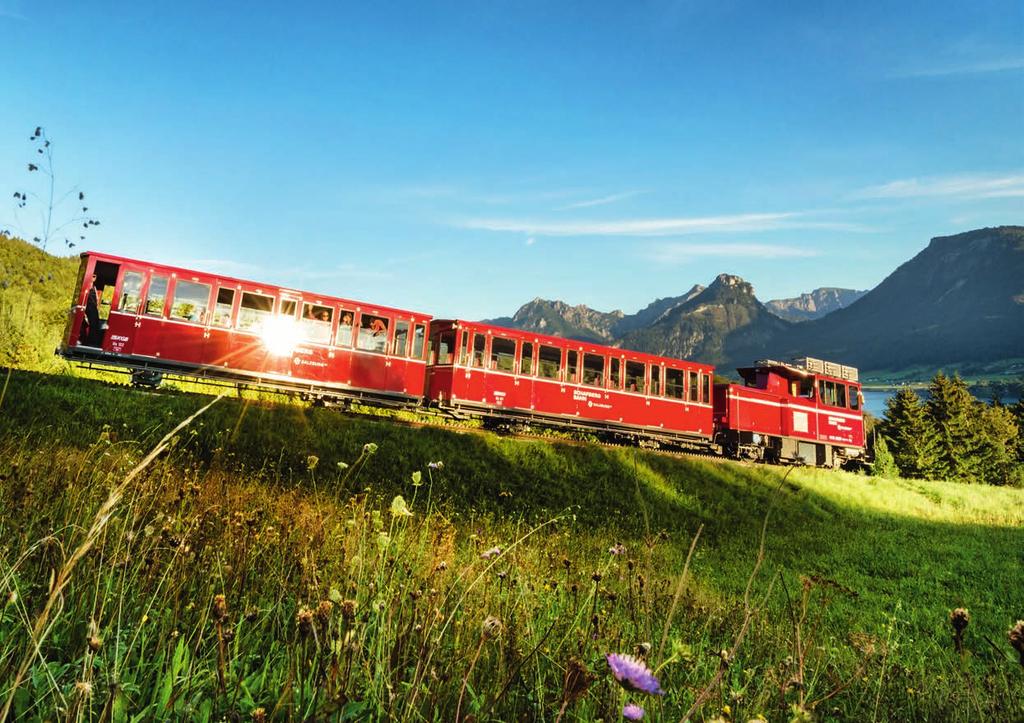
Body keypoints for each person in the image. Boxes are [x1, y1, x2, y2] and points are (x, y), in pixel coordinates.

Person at [84, 273, 102, 346]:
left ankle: (93, 341)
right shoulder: (87, 286)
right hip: (89, 308)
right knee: (92, 324)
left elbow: (97, 299)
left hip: (94, 308)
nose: (94, 278)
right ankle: (90, 341)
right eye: (92, 276)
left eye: (95, 276)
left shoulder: (94, 287)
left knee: (95, 323)